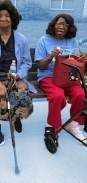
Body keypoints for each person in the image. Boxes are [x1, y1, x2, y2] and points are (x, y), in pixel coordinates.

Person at [0, 0, 37, 145]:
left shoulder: (21, 39)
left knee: (21, 96)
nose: (2, 18)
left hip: (14, 76)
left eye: (6, 15)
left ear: (12, 19)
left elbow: (26, 62)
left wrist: (18, 75)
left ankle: (15, 118)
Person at [35, 13, 87, 145]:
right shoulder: (44, 40)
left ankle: (73, 124)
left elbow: (74, 62)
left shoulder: (73, 42)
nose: (61, 26)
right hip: (48, 76)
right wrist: (50, 56)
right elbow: (40, 66)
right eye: (59, 23)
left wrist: (81, 59)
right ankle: (52, 125)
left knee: (81, 94)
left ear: (69, 28)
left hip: (67, 77)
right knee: (58, 96)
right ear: (53, 25)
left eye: (65, 24)